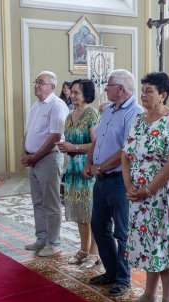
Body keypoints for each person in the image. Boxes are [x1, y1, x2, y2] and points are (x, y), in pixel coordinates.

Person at [122, 72, 169, 302]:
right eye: (142, 90)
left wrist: (149, 189)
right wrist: (129, 185)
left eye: (149, 90)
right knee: (148, 242)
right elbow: (126, 154)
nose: (143, 94)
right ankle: (149, 295)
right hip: (140, 195)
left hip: (164, 195)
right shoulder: (138, 120)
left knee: (165, 243)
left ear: (163, 95)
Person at [83, 69, 143, 297]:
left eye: (108, 85)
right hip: (101, 179)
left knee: (122, 232)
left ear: (121, 88)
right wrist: (89, 162)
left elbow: (127, 149)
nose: (105, 88)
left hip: (119, 180)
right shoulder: (109, 110)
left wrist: (102, 166)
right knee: (99, 227)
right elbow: (97, 140)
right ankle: (111, 271)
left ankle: (122, 278)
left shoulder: (135, 112)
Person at [21, 71, 68, 257]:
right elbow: (29, 131)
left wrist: (34, 157)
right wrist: (24, 152)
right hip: (33, 158)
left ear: (52, 87)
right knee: (38, 202)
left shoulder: (57, 105)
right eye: (36, 82)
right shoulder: (36, 105)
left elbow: (55, 136)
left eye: (41, 82)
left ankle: (54, 243)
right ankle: (41, 238)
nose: (37, 85)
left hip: (48, 158)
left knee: (51, 203)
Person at [55, 79, 101, 268]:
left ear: (86, 94)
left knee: (91, 212)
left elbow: (97, 144)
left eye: (76, 92)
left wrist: (73, 147)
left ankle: (95, 252)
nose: (72, 95)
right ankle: (83, 249)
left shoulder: (92, 114)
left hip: (87, 169)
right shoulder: (69, 116)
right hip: (73, 169)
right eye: (71, 92)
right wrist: (65, 147)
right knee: (80, 211)